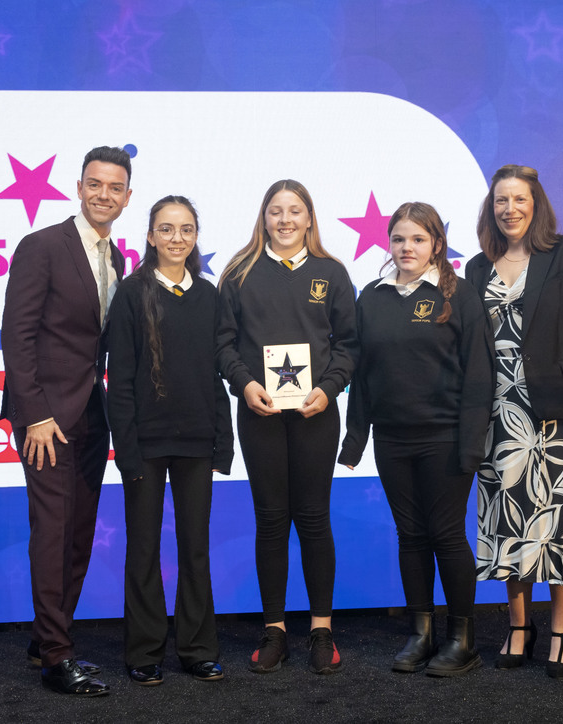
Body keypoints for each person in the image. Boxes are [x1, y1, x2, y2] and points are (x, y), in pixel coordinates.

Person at [338, 202, 494, 677]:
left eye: (419, 239)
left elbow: (479, 375)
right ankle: (421, 633)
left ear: (437, 245)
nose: (407, 248)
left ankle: (462, 639)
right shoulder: (372, 297)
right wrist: (355, 439)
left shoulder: (459, 295)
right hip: (392, 439)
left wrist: (471, 444)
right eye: (399, 239)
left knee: (446, 534)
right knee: (410, 535)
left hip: (445, 438)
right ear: (389, 243)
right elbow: (362, 376)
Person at [0, 145, 132, 697]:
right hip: (46, 420)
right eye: (94, 184)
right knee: (53, 533)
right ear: (78, 188)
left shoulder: (117, 258)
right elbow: (16, 335)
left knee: (78, 533)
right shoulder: (43, 246)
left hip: (92, 415)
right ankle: (57, 656)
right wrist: (34, 414)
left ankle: (46, 639)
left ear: (127, 197)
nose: (104, 194)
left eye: (115, 187)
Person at [465, 164, 563, 678]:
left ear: (536, 204)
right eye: (501, 201)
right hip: (497, 414)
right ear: (491, 209)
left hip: (558, 413)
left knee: (561, 521)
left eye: (519, 199)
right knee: (511, 521)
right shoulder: (477, 267)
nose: (510, 209)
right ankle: (519, 626)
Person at [216, 179, 357, 675]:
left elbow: (350, 345)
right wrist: (245, 385)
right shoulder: (239, 272)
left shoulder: (331, 273)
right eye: (276, 211)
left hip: (317, 413)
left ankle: (321, 630)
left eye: (295, 211)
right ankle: (274, 629)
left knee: (314, 518)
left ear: (309, 218)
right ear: (264, 217)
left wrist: (330, 387)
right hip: (260, 413)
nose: (285, 220)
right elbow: (223, 344)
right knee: (272, 519)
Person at [107, 196, 234, 686]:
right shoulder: (131, 293)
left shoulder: (208, 295)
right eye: (166, 229)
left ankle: (198, 649)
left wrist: (223, 442)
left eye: (185, 229)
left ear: (195, 236)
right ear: (150, 236)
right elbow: (120, 381)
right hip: (145, 444)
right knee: (143, 549)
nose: (176, 238)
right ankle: (143, 651)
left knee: (195, 548)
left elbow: (215, 373)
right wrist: (126, 451)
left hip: (197, 441)